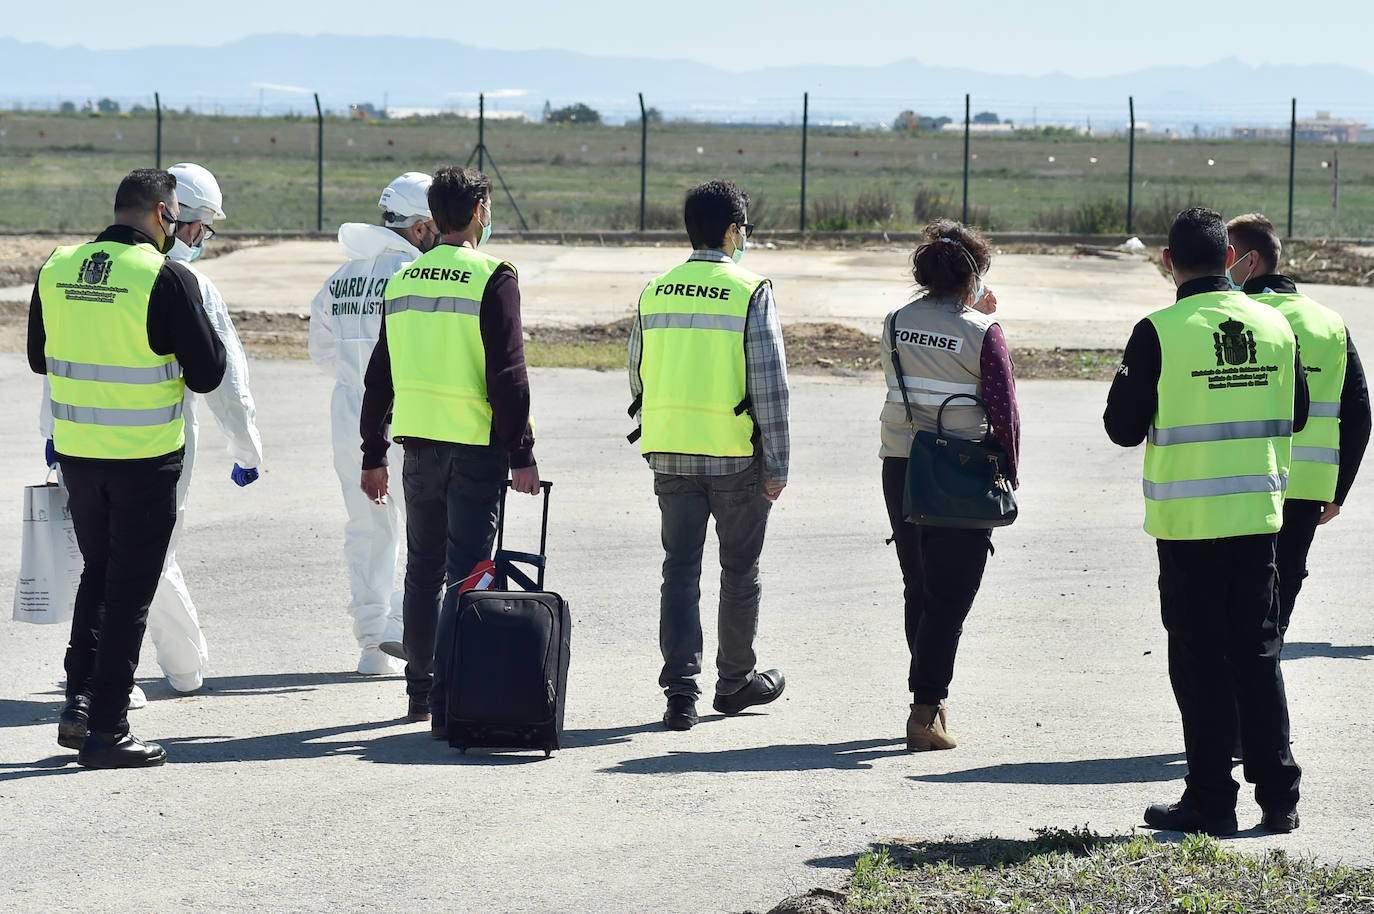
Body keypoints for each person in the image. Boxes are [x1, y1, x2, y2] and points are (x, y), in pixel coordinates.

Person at [1104, 206, 1306, 835]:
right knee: (1258, 654)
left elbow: (1121, 427)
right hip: (1257, 518)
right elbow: (1298, 411)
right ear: (1227, 259)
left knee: (1200, 662)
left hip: (1189, 524)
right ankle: (1280, 800)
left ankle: (1212, 799)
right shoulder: (1274, 325)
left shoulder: (1159, 331)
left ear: (1168, 263)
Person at [28, 168, 226, 768]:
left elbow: (40, 358)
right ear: (164, 216)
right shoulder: (165, 276)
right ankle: (107, 730)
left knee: (99, 576)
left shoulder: (57, 266)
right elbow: (208, 373)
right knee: (130, 592)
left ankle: (80, 701)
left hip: (80, 456)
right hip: (144, 458)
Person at [360, 165, 537, 735]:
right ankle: (460, 689)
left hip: (419, 450)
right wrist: (522, 452)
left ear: (434, 217)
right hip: (475, 448)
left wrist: (372, 452)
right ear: (480, 213)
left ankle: (420, 692)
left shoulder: (405, 281)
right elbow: (508, 374)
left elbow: (379, 377)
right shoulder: (494, 276)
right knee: (470, 572)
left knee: (423, 570)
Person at [628, 179, 790, 732]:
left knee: (679, 571)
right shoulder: (750, 289)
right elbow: (770, 385)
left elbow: (637, 372)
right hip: (733, 454)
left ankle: (679, 693)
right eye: (743, 228)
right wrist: (778, 463)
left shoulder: (656, 290)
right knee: (739, 569)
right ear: (730, 231)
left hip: (669, 451)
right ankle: (735, 682)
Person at [878, 220, 1019, 751]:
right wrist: (1010, 472)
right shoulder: (984, 334)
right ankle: (925, 709)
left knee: (920, 587)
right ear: (973, 277)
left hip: (902, 465)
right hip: (960, 470)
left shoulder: (893, 322)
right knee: (950, 600)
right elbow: (1005, 411)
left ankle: (928, 700)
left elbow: (924, 355)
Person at [310, 172, 440, 675]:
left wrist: (354, 380)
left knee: (367, 529)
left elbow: (320, 348)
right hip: (406, 419)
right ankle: (413, 633)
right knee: (426, 531)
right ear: (424, 228)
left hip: (349, 418)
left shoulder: (343, 275)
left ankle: (372, 644)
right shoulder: (414, 274)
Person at [1226, 213, 1370, 642]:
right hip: (1308, 487)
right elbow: (1359, 413)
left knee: (1237, 603)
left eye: (1227, 254)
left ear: (1249, 263)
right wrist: (1338, 491)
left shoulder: (1234, 316)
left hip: (1243, 482)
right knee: (1277, 608)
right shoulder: (1330, 323)